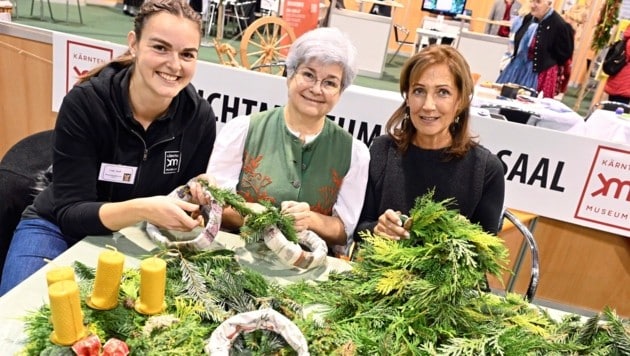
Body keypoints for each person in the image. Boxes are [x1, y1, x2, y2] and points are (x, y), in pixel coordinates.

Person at [0, 0, 216, 295]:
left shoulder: (199, 117)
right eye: (160, 48)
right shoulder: (86, 103)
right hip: (57, 228)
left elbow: (184, 192)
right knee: (18, 320)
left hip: (140, 236)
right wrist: (144, 209)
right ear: (134, 44)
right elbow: (70, 213)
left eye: (187, 54)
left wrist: (199, 188)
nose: (175, 65)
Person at [207, 27, 370, 256]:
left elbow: (343, 230)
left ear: (340, 92)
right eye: (308, 74)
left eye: (330, 83)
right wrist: (252, 213)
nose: (316, 89)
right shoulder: (243, 130)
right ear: (290, 75)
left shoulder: (354, 152)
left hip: (310, 271)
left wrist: (309, 219)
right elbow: (216, 207)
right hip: (237, 259)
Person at [356, 45, 505, 241]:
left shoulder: (486, 169)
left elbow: (486, 255)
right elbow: (359, 229)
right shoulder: (381, 151)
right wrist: (378, 229)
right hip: (383, 269)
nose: (428, 105)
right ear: (407, 97)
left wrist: (464, 237)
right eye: (418, 91)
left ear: (460, 101)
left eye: (442, 92)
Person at [496, 0, 574, 98]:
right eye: (532, 1)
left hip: (540, 73)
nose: (533, 5)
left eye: (538, 2)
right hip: (517, 68)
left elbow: (564, 55)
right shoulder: (528, 18)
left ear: (549, 3)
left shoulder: (560, 25)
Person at [604, 26, 630, 105]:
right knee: (616, 112)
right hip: (623, 84)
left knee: (612, 109)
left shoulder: (626, 39)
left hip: (619, 81)